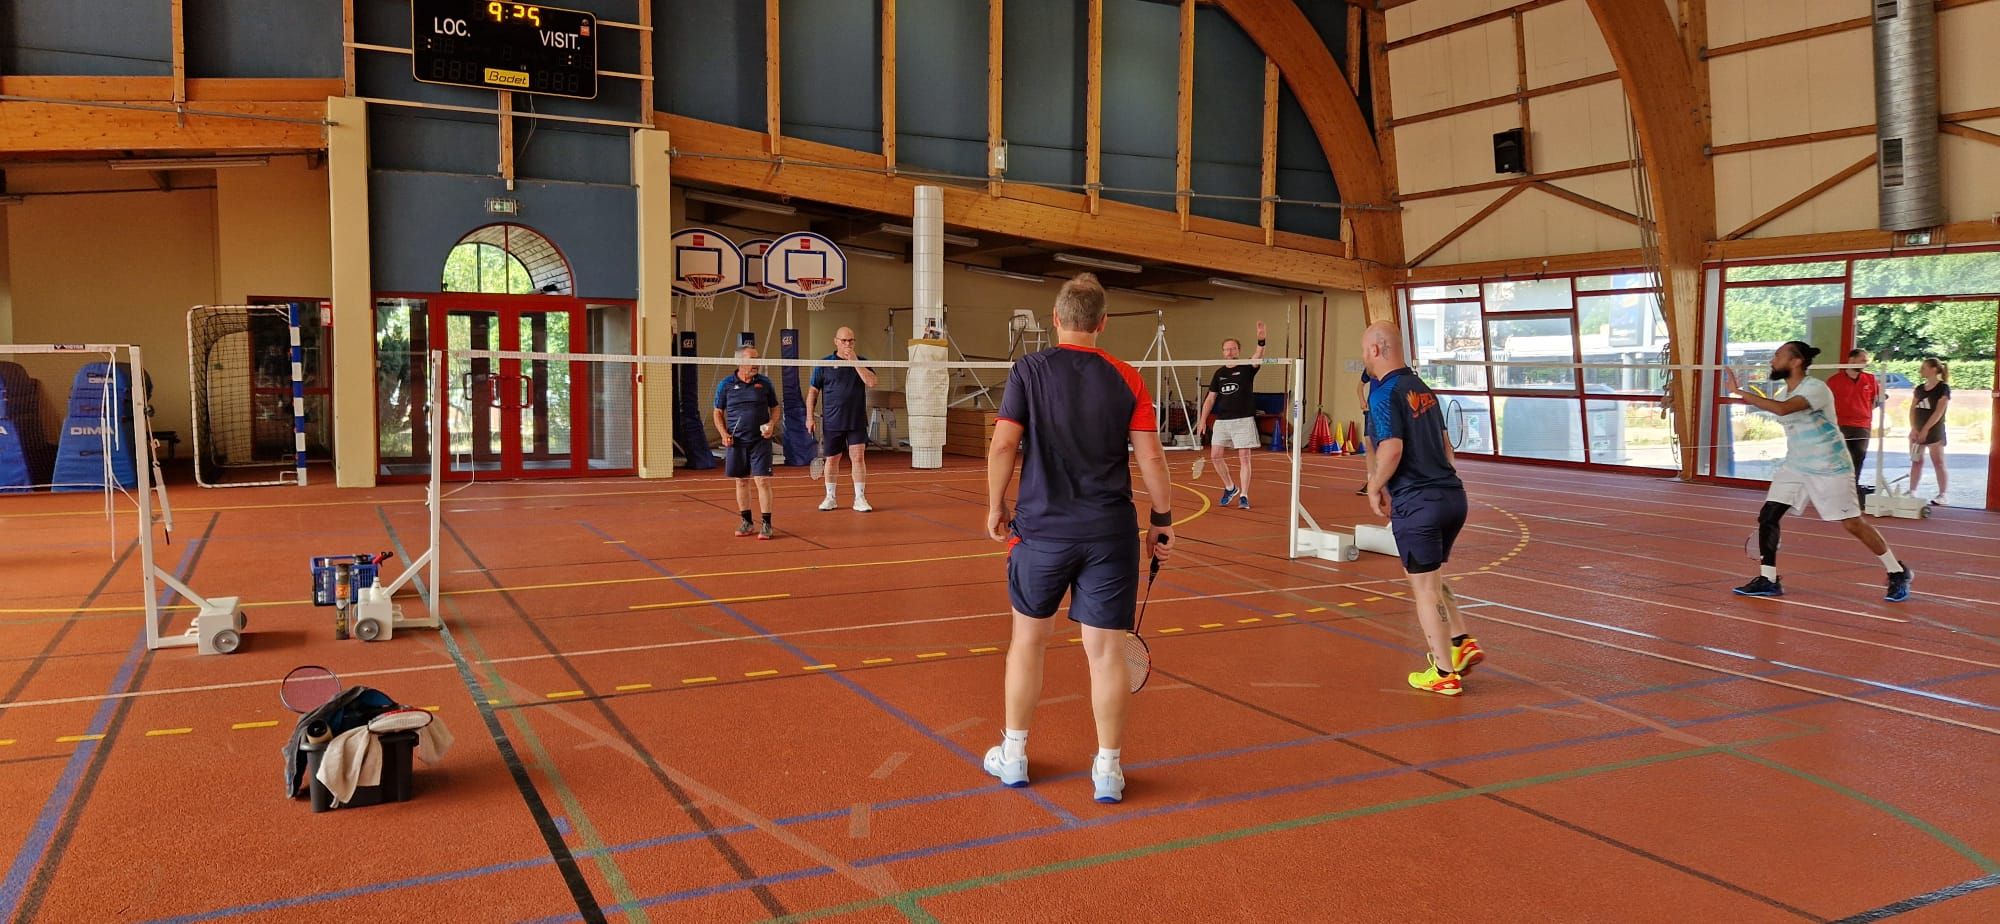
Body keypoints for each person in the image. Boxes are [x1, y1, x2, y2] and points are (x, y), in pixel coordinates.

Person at [983, 273, 1175, 804]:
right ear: (1102, 323)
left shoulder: (1028, 370)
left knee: (1027, 641)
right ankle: (1108, 770)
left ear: (1056, 319)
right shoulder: (1128, 378)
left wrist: (996, 505)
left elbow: (1003, 447)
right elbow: (1152, 457)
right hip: (1109, 535)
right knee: (1107, 654)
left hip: (1041, 533)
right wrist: (1162, 518)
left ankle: (1014, 756)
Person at [1723, 341, 1912, 601]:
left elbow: (1783, 409)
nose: (1772, 361)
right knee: (1769, 515)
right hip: (1796, 466)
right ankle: (1768, 579)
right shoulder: (1783, 393)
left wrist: (1739, 392)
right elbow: (1779, 407)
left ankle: (1897, 571)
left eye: (1778, 356)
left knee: (1852, 523)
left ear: (1796, 361)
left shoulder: (1815, 388)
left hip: (1830, 466)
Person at [1361, 322, 1484, 696]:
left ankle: (1444, 672)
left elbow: (1392, 448)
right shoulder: (1423, 389)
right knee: (1430, 576)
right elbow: (1447, 448)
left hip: (1418, 503)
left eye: (1364, 350)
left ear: (1376, 350)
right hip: (1452, 498)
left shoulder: (1384, 394)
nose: (1364, 357)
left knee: (1424, 587)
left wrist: (1374, 486)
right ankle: (1461, 641)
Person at [1195, 321, 1267, 509]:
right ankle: (1230, 487)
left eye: (1233, 348)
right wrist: (1202, 420)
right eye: (1227, 349)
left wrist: (1261, 339)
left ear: (1238, 350)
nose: (1229, 352)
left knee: (1244, 457)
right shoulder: (1219, 373)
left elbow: (1258, 355)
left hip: (1243, 420)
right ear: (1223, 352)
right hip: (1222, 421)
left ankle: (1244, 495)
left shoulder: (1247, 367)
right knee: (1215, 456)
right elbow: (1210, 399)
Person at [808, 326, 879, 512]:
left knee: (858, 457)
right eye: (844, 340)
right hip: (833, 420)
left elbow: (872, 382)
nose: (847, 344)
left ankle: (860, 498)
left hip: (856, 419)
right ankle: (830, 497)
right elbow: (813, 392)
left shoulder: (863, 362)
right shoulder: (824, 364)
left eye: (851, 340)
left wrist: (855, 362)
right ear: (836, 342)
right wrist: (809, 417)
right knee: (832, 459)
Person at [712, 346, 780, 540]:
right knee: (741, 481)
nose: (756, 363)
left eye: (757, 359)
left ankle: (766, 524)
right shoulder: (726, 384)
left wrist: (771, 424)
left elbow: (775, 408)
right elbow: (718, 412)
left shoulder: (765, 383)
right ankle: (747, 522)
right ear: (740, 362)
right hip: (737, 442)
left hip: (760, 441)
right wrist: (723, 433)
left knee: (762, 481)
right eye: (752, 359)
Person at [1825, 348, 1881, 504]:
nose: (1865, 363)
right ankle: (1837, 492)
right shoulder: (1834, 381)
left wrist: (1864, 412)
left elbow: (1875, 400)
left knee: (1858, 458)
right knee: (1841, 460)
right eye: (1862, 360)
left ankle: (1851, 492)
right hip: (1841, 425)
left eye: (1866, 361)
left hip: (1862, 425)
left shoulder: (1870, 379)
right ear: (1851, 360)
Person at [1909, 357, 1951, 505]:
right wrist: (1914, 428)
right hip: (1917, 429)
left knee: (1938, 462)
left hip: (1934, 431)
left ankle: (1943, 494)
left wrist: (1926, 429)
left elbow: (1939, 412)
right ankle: (1912, 491)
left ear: (1933, 369)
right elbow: (1912, 409)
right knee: (1916, 461)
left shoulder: (1943, 388)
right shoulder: (1920, 389)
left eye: (1924, 368)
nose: (1921, 370)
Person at [1353, 369, 1377, 495]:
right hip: (1371, 411)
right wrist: (1362, 400)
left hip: (1387, 411)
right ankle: (1371, 482)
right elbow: (1360, 386)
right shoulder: (1370, 367)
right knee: (1370, 445)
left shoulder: (1395, 368)